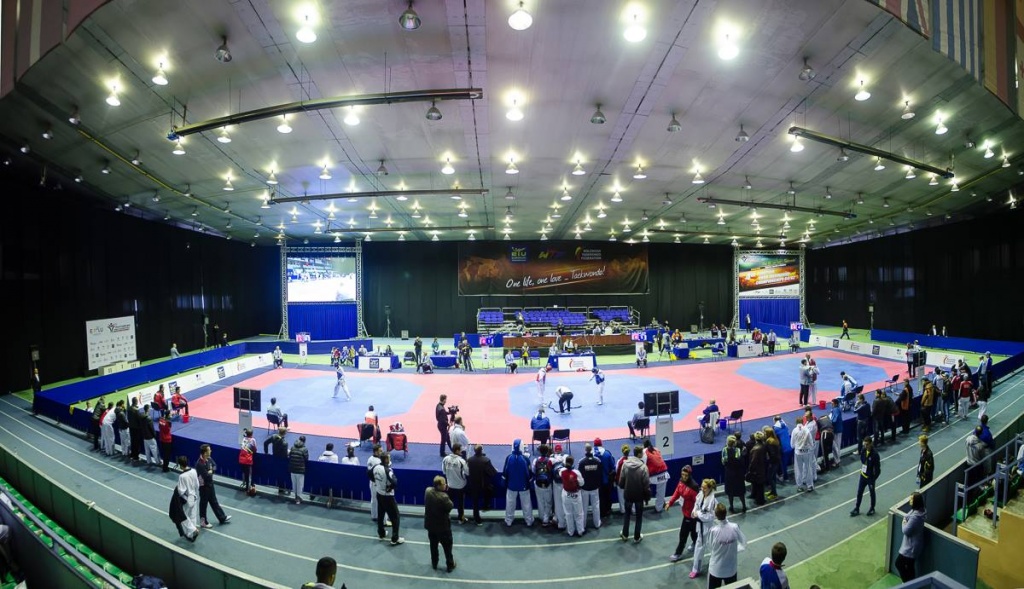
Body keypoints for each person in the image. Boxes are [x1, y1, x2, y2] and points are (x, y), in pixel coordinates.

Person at [705, 503, 746, 588]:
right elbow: (743, 543)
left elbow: (709, 546)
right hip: (731, 569)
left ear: (716, 515)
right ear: (726, 513)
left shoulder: (713, 531)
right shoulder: (734, 527)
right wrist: (734, 550)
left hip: (716, 569)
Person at [618, 446, 650, 544]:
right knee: (639, 516)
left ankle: (625, 534)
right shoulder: (643, 467)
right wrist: (647, 497)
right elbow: (646, 484)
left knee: (627, 515)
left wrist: (622, 486)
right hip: (639, 495)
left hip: (628, 494)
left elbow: (621, 479)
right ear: (639, 454)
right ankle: (637, 537)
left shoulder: (625, 464)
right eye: (642, 453)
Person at [667, 465, 699, 562]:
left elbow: (697, 502)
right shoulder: (681, 481)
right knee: (693, 531)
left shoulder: (694, 487)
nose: (684, 477)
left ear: (689, 475)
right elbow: (677, 492)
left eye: (686, 475)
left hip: (691, 515)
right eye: (682, 474)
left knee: (683, 534)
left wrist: (695, 513)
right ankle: (696, 543)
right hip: (685, 512)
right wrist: (669, 503)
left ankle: (678, 553)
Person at [689, 478, 719, 579]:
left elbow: (711, 516)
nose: (702, 489)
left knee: (712, 546)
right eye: (701, 487)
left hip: (709, 527)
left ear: (710, 488)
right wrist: (694, 512)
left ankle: (715, 563)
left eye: (705, 488)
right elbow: (696, 505)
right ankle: (696, 569)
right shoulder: (700, 495)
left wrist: (698, 514)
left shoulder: (713, 501)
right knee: (699, 548)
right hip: (700, 527)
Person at [195, 444, 231, 527]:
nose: (211, 451)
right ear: (205, 453)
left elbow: (214, 466)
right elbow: (206, 476)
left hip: (210, 484)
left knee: (214, 501)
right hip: (204, 487)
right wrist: (210, 472)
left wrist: (211, 471)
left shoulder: (209, 458)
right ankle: (203, 522)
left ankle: (222, 517)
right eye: (209, 450)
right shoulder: (199, 464)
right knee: (203, 504)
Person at [372, 453, 403, 545]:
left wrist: (376, 482)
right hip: (388, 497)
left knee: (380, 515)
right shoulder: (388, 470)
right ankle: (395, 538)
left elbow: (369, 473)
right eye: (389, 458)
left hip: (379, 494)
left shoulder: (376, 467)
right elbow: (395, 482)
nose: (390, 459)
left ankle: (381, 533)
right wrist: (390, 488)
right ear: (386, 460)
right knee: (395, 517)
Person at [502, 439, 534, 526]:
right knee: (526, 504)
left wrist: (504, 483)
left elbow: (505, 472)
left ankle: (509, 520)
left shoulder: (509, 458)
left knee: (510, 504)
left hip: (511, 486)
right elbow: (529, 473)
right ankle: (529, 521)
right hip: (524, 486)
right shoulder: (525, 459)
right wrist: (530, 484)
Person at [896, 492, 926, 582]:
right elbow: (907, 516)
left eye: (912, 499)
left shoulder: (915, 517)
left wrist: (904, 522)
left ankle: (906, 584)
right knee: (910, 566)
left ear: (916, 501)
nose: (910, 500)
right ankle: (911, 584)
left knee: (899, 563)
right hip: (913, 545)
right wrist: (906, 519)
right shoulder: (917, 511)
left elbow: (906, 530)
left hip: (911, 547)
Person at [467, 444, 497, 526]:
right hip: (484, 484)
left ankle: (477, 519)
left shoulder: (469, 460)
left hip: (473, 484)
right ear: (482, 450)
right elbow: (492, 473)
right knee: (490, 490)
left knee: (475, 502)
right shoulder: (486, 460)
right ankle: (486, 506)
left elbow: (466, 471)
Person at [850, 437, 880, 516]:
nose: (865, 446)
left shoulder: (875, 454)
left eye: (867, 445)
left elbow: (878, 470)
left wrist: (873, 478)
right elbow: (862, 460)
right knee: (859, 492)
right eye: (864, 445)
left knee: (872, 493)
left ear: (871, 444)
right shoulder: (863, 450)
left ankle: (872, 508)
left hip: (870, 478)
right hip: (863, 475)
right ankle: (857, 508)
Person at [174, 455, 200, 542]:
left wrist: (177, 489)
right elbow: (197, 485)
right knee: (193, 516)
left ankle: (193, 530)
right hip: (194, 496)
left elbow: (181, 491)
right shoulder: (194, 471)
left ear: (180, 465)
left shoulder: (182, 476)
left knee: (182, 516)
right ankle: (190, 535)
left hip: (187, 498)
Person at [442, 443, 469, 523]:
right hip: (460, 486)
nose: (461, 451)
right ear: (457, 451)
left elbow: (444, 471)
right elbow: (467, 473)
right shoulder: (461, 461)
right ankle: (460, 519)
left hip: (450, 485)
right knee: (460, 504)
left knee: (449, 503)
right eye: (460, 450)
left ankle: (445, 517)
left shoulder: (445, 459)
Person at [578, 444, 602, 530]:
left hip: (585, 488)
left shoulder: (581, 462)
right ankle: (597, 523)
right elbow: (600, 474)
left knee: (584, 507)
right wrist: (598, 484)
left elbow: (579, 476)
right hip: (594, 487)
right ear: (591, 450)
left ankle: (583, 524)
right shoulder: (597, 461)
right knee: (596, 506)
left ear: (585, 450)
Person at [532, 444, 555, 526]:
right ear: (547, 451)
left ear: (539, 451)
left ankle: (542, 517)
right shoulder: (550, 460)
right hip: (547, 484)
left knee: (540, 501)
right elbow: (552, 471)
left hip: (538, 484)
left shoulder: (535, 460)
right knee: (548, 502)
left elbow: (533, 471)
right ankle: (546, 519)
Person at [643, 438, 669, 512]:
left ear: (644, 445)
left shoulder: (644, 451)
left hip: (653, 475)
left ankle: (644, 501)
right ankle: (659, 508)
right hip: (664, 473)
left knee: (641, 486)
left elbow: (642, 465)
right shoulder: (656, 449)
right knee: (661, 492)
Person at [721, 436, 746, 514]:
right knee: (740, 491)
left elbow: (723, 462)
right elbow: (740, 461)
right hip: (738, 473)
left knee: (730, 492)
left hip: (729, 474)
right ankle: (744, 506)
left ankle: (731, 507)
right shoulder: (737, 450)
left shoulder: (724, 450)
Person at [593, 438, 616, 519]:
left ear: (594, 445)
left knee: (598, 498)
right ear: (601, 444)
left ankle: (600, 512)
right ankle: (607, 510)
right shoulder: (607, 454)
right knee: (607, 496)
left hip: (595, 482)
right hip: (606, 480)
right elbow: (613, 467)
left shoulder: (591, 454)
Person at [263, 426, 289, 494]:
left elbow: (265, 443)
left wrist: (266, 453)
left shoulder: (273, 437)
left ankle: (280, 489)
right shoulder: (285, 443)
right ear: (285, 433)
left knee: (277, 474)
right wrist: (288, 453)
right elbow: (285, 455)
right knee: (282, 475)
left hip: (274, 459)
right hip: (282, 461)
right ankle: (282, 489)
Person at [790, 416, 814, 492]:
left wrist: (797, 447)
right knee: (808, 469)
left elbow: (792, 444)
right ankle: (809, 485)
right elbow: (811, 442)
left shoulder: (794, 430)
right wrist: (808, 447)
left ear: (796, 423)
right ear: (803, 422)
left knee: (798, 470)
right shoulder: (806, 430)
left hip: (798, 453)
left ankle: (799, 486)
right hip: (806, 452)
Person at [747, 432, 768, 507]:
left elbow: (753, 461)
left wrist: (750, 469)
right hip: (762, 467)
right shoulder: (763, 445)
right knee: (757, 484)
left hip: (757, 470)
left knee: (759, 485)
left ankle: (760, 500)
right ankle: (754, 495)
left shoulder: (756, 449)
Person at [288, 435, 309, 504]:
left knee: (294, 484)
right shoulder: (305, 449)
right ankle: (298, 499)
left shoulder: (292, 447)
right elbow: (306, 459)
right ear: (304, 441)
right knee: (300, 485)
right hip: (300, 470)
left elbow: (289, 455)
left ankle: (295, 497)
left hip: (292, 468)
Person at [773, 415, 791, 482]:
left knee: (782, 463)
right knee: (785, 462)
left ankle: (785, 477)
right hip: (790, 446)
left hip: (783, 448)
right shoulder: (785, 426)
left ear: (775, 421)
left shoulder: (775, 428)